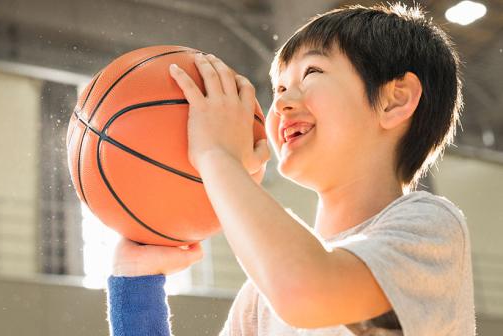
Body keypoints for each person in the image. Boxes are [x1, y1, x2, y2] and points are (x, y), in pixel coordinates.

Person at [107, 3, 475, 335]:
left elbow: (307, 290)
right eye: (279, 87)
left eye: (312, 72)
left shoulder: (429, 226)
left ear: (395, 100)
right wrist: (137, 287)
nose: (281, 100)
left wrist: (217, 155)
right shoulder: (260, 296)